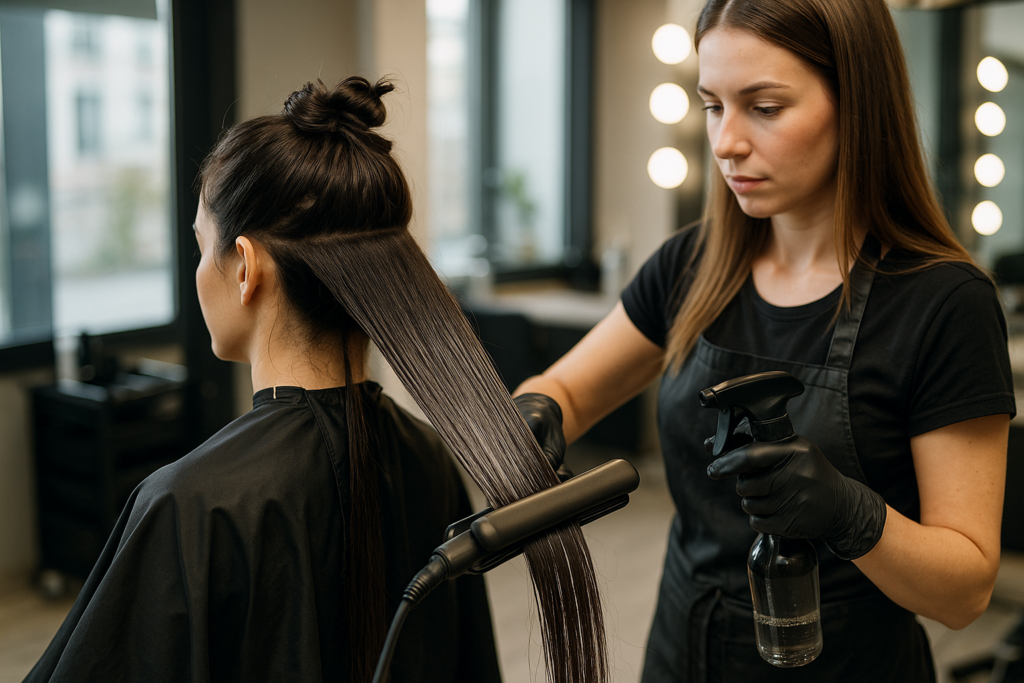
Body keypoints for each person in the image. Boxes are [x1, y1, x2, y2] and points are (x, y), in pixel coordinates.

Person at [514, 1, 1015, 681]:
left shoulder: (943, 303)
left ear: (857, 102)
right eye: (712, 106)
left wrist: (853, 514)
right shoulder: (691, 265)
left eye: (765, 107)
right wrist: (537, 411)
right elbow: (568, 391)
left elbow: (965, 592)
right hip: (681, 653)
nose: (725, 142)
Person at [25, 77, 503, 683]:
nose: (201, 270)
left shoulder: (188, 505)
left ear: (246, 267)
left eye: (202, 246)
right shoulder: (428, 453)